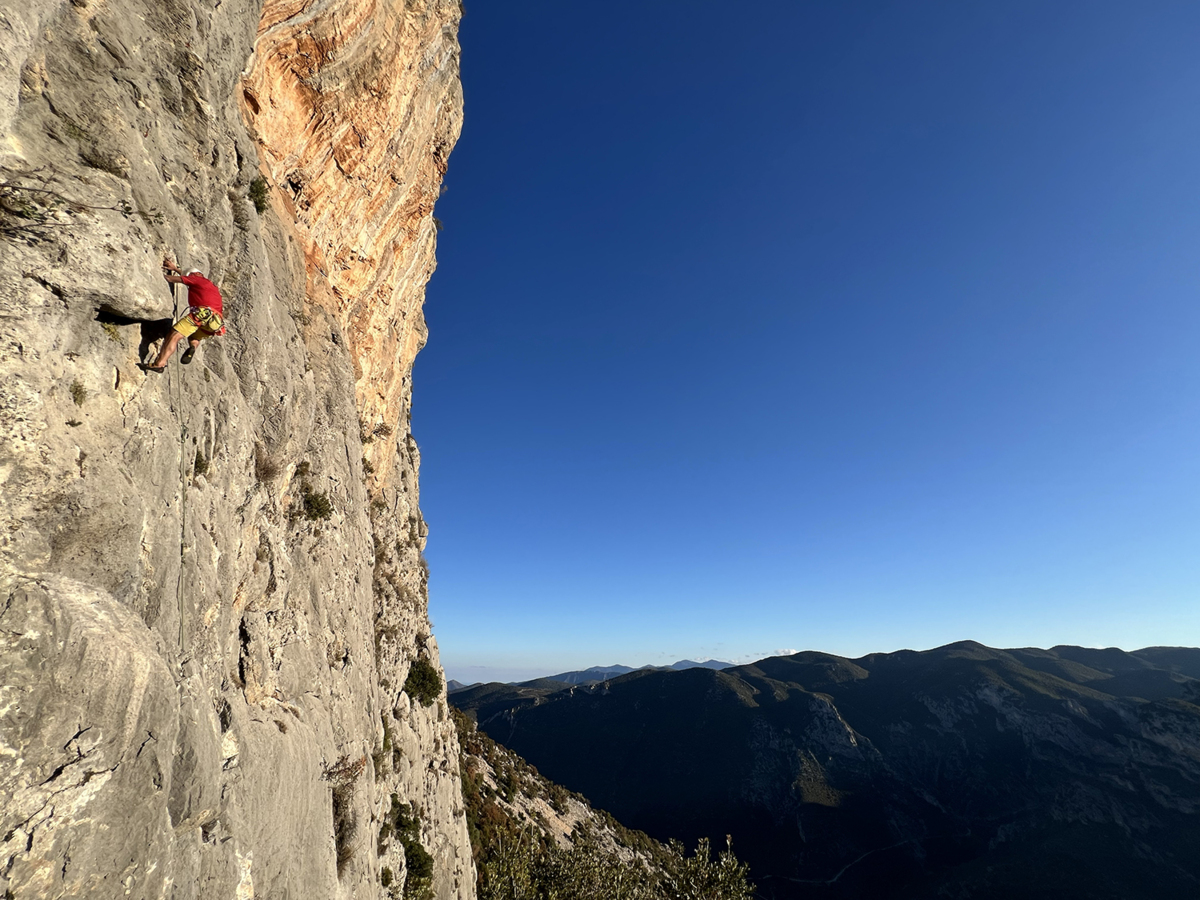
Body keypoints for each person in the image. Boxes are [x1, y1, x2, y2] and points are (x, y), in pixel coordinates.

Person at [142, 258, 225, 373]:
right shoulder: (210, 285)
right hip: (215, 322)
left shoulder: (197, 280)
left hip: (202, 314)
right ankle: (193, 346)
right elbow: (188, 276)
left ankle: (159, 364)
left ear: (195, 275)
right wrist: (175, 268)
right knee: (194, 337)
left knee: (174, 335)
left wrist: (154, 273)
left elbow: (171, 279)